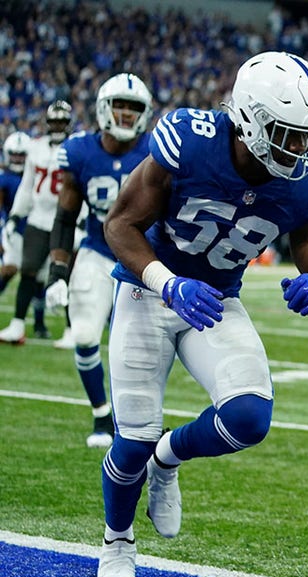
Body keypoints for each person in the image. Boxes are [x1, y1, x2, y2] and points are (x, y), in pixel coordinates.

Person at [96, 51, 308, 577]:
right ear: (251, 120)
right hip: (147, 292)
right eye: (289, 133)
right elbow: (120, 225)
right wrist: (168, 282)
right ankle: (117, 540)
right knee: (131, 439)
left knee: (250, 418)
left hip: (216, 301)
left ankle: (169, 457)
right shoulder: (191, 138)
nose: (303, 148)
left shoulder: (307, 182)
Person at [43, 73, 154, 449]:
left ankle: (134, 423)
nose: (125, 114)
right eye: (119, 105)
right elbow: (64, 216)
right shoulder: (80, 152)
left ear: (145, 112)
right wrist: (58, 272)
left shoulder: (157, 152)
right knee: (87, 335)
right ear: (104, 108)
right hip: (96, 249)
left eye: (133, 107)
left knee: (138, 352)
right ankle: (101, 414)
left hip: (142, 259)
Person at [0, 102, 74, 345]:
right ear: (48, 123)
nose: (57, 126)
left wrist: (81, 221)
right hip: (38, 218)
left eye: (62, 122)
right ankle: (17, 324)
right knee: (28, 271)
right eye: (54, 122)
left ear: (68, 123)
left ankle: (71, 330)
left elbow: (80, 186)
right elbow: (27, 186)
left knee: (64, 274)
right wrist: (14, 216)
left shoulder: (75, 148)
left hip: (64, 218)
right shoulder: (36, 147)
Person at [0, 131, 31, 297]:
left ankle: (39, 321)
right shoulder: (5, 178)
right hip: (14, 230)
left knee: (37, 276)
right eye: (14, 155)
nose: (18, 159)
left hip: (36, 229)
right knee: (9, 269)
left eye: (22, 155)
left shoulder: (35, 176)